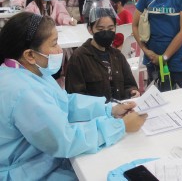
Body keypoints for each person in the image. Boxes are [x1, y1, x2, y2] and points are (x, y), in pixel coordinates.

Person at [0, 12, 147, 180]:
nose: (59, 50)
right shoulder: (24, 92)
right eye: (54, 43)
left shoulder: (31, 72)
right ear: (30, 55)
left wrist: (109, 110)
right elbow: (65, 140)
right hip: (28, 172)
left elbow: (64, 103)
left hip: (41, 159)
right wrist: (120, 126)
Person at [65, 7, 140, 101]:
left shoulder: (117, 56)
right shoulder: (79, 58)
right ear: (90, 29)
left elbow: (130, 84)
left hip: (120, 110)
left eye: (111, 28)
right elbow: (76, 97)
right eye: (100, 29)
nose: (106, 33)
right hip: (96, 114)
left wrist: (131, 92)